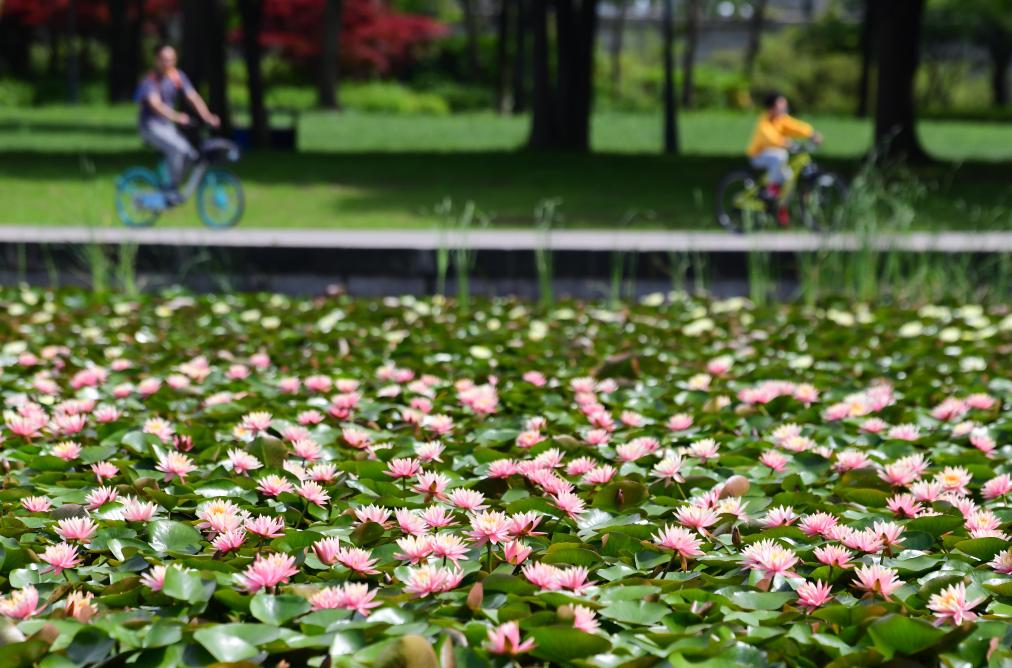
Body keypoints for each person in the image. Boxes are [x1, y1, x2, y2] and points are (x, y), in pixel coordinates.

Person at [136, 44, 220, 205]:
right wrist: (176, 117)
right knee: (178, 149)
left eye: (171, 59)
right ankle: (170, 189)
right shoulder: (150, 81)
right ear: (156, 60)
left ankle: (171, 184)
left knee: (190, 154)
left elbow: (193, 97)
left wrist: (207, 116)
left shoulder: (177, 77)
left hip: (166, 127)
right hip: (151, 126)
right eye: (164, 59)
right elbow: (156, 105)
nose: (168, 63)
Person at [746, 92, 822, 225]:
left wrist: (811, 133)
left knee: (789, 179)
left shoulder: (781, 119)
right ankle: (771, 189)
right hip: (758, 156)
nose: (784, 106)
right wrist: (786, 143)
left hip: (774, 157)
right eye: (780, 103)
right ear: (772, 106)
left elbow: (796, 127)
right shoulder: (765, 120)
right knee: (780, 155)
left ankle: (781, 207)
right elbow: (769, 137)